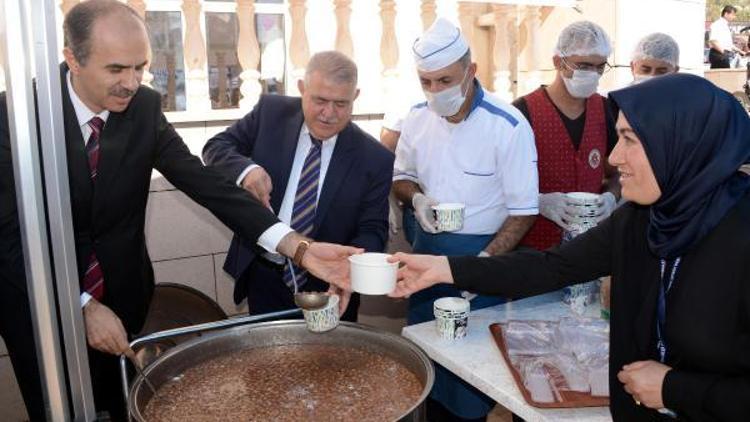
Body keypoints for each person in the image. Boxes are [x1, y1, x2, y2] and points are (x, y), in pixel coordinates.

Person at [0, 1, 358, 420]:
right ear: (72, 59)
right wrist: (78, 305)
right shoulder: (16, 118)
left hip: (123, 298)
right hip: (39, 308)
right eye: (116, 69)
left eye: (140, 67)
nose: (131, 83)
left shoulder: (144, 108)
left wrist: (296, 246)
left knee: (121, 406)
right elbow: (10, 236)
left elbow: (205, 184)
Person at [387, 73, 750, 421]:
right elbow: (551, 267)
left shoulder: (739, 235)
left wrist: (676, 389)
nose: (612, 158)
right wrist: (444, 268)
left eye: (630, 140)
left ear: (680, 143)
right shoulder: (642, 220)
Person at [392, 18, 538, 421]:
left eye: (445, 80)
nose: (436, 91)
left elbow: (524, 212)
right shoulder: (418, 118)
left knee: (474, 380)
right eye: (427, 82)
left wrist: (485, 267)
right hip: (426, 260)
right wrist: (417, 199)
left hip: (482, 258)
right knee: (425, 371)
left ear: (471, 71)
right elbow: (401, 176)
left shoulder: (507, 125)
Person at [203, 51, 394, 322]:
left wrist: (350, 270)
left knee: (331, 363)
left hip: (330, 283)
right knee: (268, 359)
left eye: (341, 103)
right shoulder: (271, 113)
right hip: (266, 270)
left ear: (356, 96)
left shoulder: (375, 158)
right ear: (302, 89)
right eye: (320, 100)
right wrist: (247, 169)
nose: (329, 114)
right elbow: (215, 148)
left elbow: (373, 229)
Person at [512, 21, 619, 251]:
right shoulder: (523, 111)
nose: (593, 74)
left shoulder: (605, 110)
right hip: (536, 247)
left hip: (588, 246)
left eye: (600, 67)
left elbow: (619, 167)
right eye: (584, 65)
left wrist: (611, 196)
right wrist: (537, 201)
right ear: (558, 62)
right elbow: (499, 179)